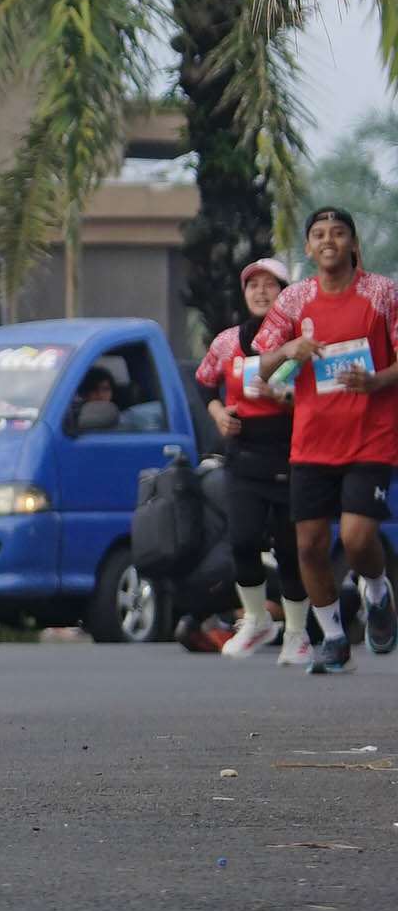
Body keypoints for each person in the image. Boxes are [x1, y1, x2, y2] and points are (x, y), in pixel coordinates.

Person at [250, 204, 398, 675]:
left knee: (356, 538)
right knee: (310, 547)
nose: (329, 240)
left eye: (338, 232)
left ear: (353, 243)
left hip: (370, 437)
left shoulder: (382, 293)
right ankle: (333, 637)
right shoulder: (295, 300)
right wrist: (288, 349)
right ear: (309, 248)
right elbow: (260, 366)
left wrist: (376, 382)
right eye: (319, 234)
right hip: (312, 441)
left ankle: (377, 591)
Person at [198, 254, 300, 662]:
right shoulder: (226, 342)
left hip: (292, 455)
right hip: (243, 457)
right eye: (253, 285)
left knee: (290, 549)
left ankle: (297, 634)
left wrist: (284, 397)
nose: (260, 292)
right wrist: (219, 414)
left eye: (270, 284)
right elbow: (205, 383)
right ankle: (256, 620)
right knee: (242, 541)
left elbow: (320, 395)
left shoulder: (299, 341)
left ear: (285, 294)